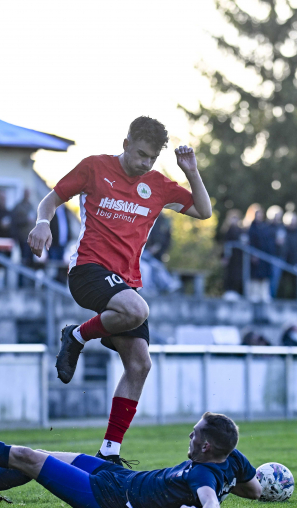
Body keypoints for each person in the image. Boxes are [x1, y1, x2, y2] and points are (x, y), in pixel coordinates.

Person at [27, 116, 212, 465]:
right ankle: (78, 336)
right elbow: (50, 200)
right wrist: (41, 224)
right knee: (138, 310)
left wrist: (190, 170)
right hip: (87, 271)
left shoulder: (157, 184)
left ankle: (109, 452)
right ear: (125, 143)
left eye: (151, 158)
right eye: (140, 153)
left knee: (140, 365)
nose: (144, 163)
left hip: (125, 285)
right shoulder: (95, 168)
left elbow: (204, 211)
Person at [0, 393, 262, 508]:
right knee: (40, 456)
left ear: (205, 448)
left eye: (195, 433)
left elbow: (211, 503)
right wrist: (273, 486)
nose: (190, 433)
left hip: (107, 499)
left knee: (27, 456)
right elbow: (255, 489)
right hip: (116, 476)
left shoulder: (202, 476)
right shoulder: (232, 458)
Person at [243, 203, 273, 304]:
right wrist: (253, 254)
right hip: (254, 257)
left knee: (264, 277)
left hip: (264, 257)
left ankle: (264, 295)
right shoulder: (249, 227)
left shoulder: (265, 227)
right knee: (254, 277)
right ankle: (253, 295)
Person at [220, 209, 244, 299]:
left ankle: (236, 291)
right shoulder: (227, 230)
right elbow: (224, 245)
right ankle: (228, 291)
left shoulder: (240, 231)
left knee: (237, 275)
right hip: (230, 258)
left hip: (238, 258)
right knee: (228, 275)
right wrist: (224, 257)